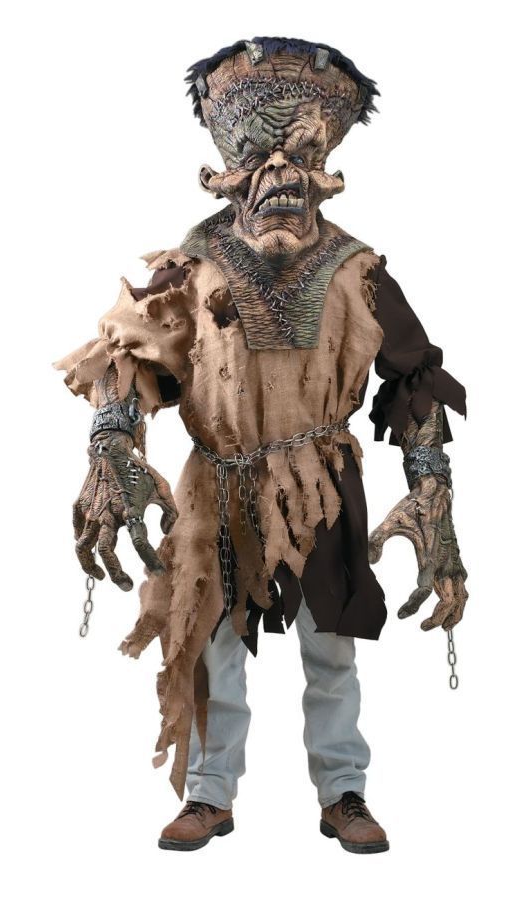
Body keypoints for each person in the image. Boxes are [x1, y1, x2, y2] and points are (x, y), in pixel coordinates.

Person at [55, 37, 468, 854]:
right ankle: (209, 795)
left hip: (324, 481)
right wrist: (111, 445)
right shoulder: (191, 268)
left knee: (332, 645)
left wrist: (431, 487)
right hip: (219, 486)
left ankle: (343, 791)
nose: (279, 171)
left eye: (299, 152)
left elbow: (413, 376)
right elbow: (128, 358)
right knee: (211, 640)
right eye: (258, 153)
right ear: (224, 168)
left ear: (326, 164)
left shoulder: (357, 270)